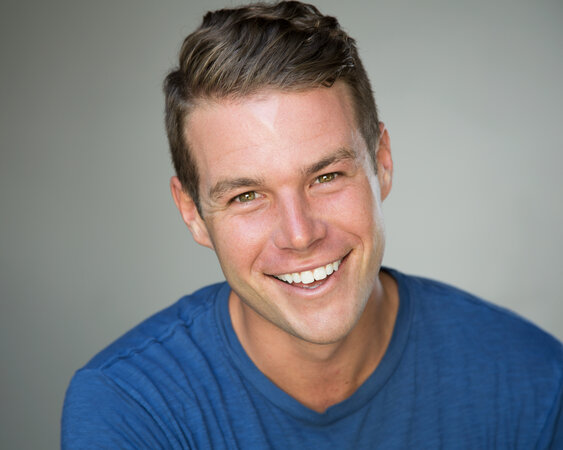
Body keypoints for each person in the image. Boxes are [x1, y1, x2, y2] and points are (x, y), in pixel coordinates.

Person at [61, 1, 563, 448]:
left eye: (326, 177)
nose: (300, 235)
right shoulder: (128, 406)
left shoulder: (535, 382)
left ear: (382, 163)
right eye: (247, 196)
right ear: (193, 213)